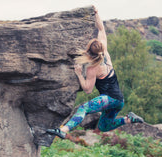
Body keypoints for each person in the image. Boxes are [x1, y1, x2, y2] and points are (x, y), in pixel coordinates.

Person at [47, 6, 144, 139]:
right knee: (104, 126)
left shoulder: (93, 67)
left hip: (110, 98)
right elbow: (101, 29)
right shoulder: (105, 53)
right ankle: (129, 119)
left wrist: (79, 74)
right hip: (119, 100)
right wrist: (96, 14)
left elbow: (87, 89)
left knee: (83, 108)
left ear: (88, 51)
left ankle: (63, 130)